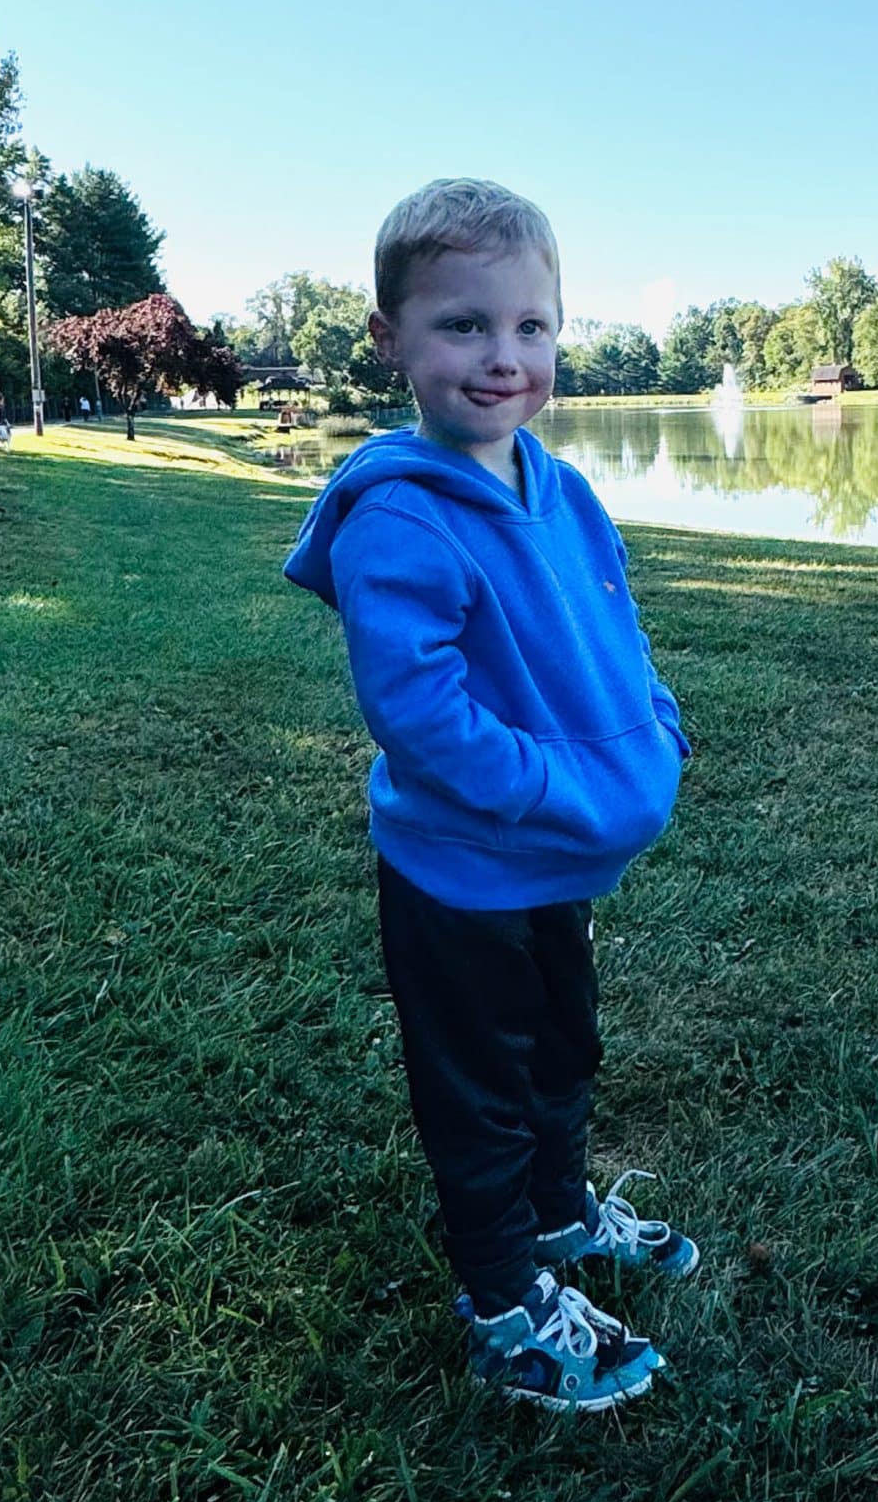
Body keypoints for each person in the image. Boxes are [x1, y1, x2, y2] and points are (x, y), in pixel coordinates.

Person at [285, 179, 696, 1414]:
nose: (503, 357)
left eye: (531, 326)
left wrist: (658, 723)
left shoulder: (562, 489)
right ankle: (505, 1300)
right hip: (463, 871)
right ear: (391, 339)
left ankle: (560, 1212)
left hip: (554, 862)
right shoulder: (399, 515)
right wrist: (548, 787)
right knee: (477, 1089)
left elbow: (617, 627)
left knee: (563, 1047)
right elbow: (419, 713)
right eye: (463, 325)